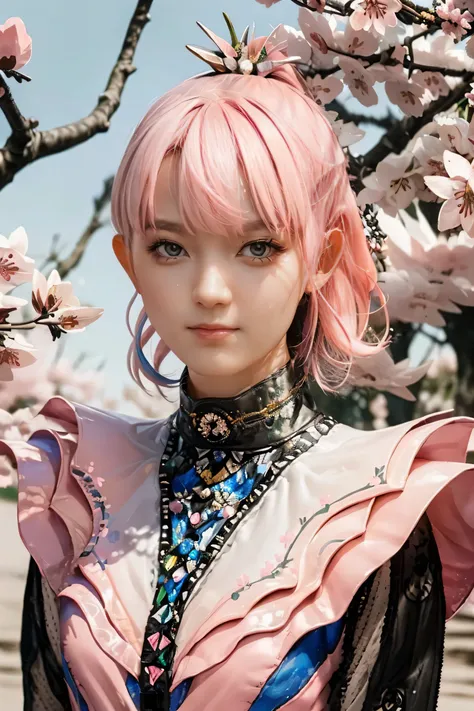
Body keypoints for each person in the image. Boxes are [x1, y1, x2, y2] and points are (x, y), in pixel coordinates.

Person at [2, 13, 474, 711]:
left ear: (323, 256)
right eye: (170, 247)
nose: (210, 289)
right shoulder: (80, 480)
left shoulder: (377, 507)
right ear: (129, 262)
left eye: (258, 246)